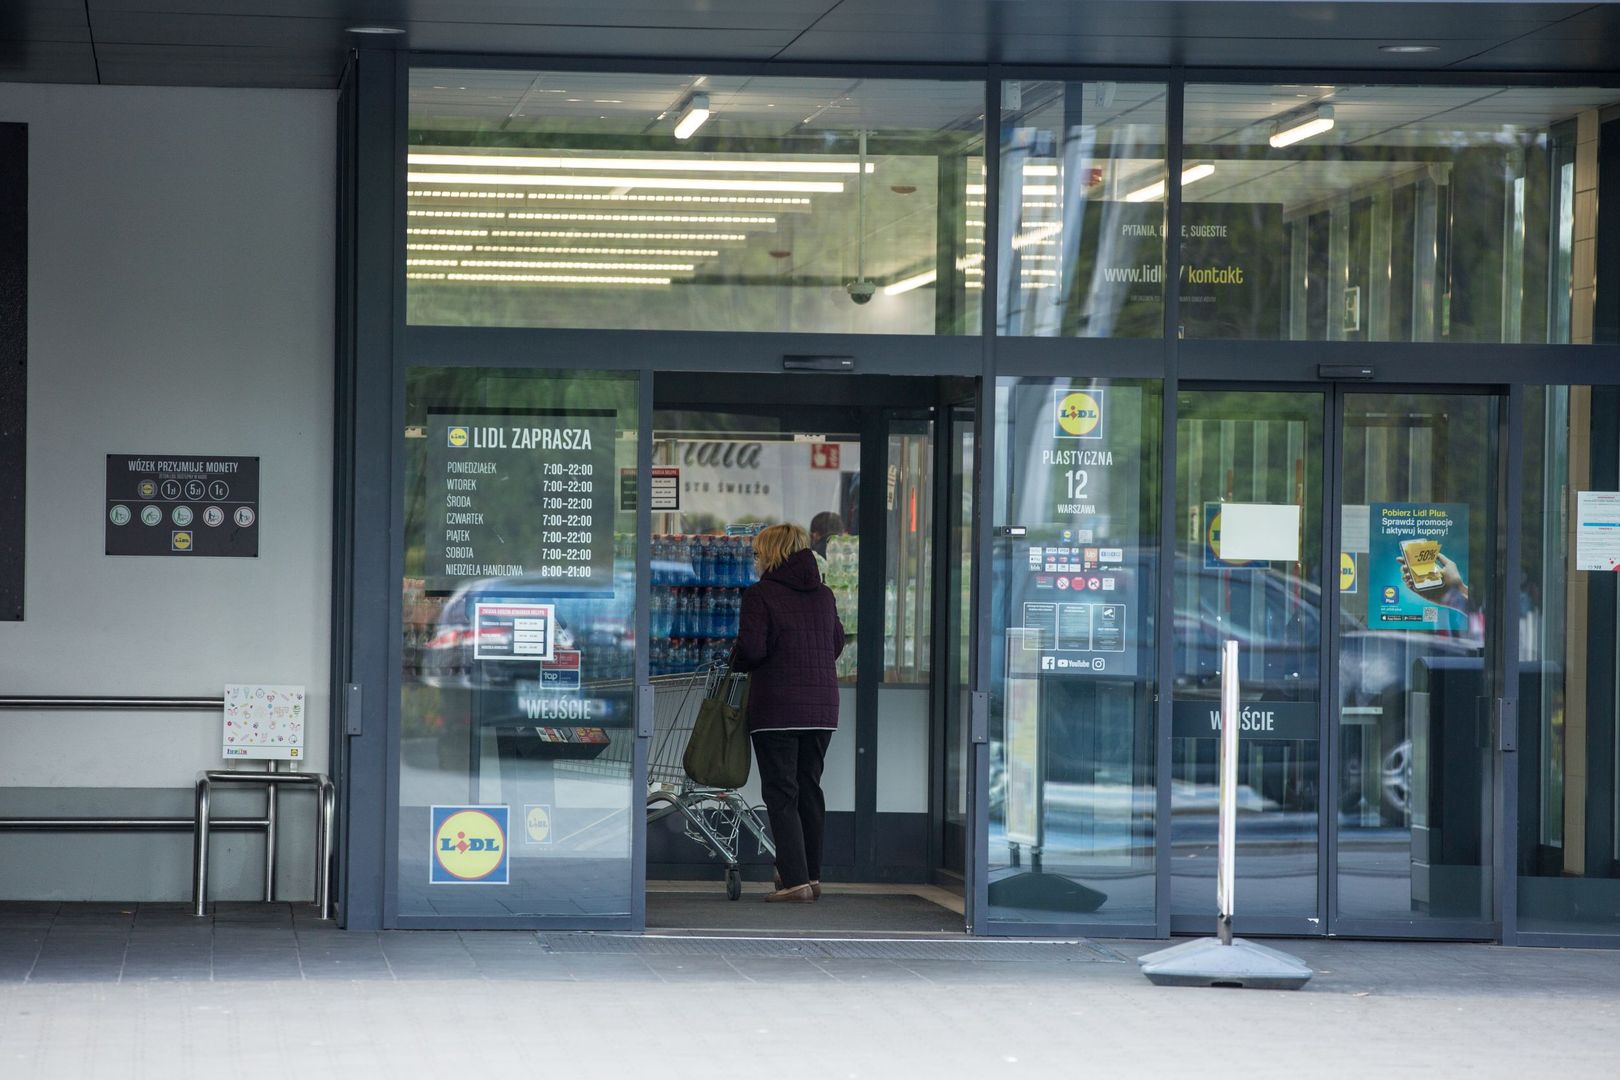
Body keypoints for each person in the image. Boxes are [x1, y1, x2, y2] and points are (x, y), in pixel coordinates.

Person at [731, 523, 845, 903]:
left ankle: (794, 882)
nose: (756, 560)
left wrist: (734, 660)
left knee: (782, 794)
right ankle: (811, 877)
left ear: (772, 553)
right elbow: (836, 644)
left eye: (758, 553)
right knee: (809, 790)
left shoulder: (761, 596)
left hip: (777, 709)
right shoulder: (824, 595)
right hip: (821, 711)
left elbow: (752, 651)